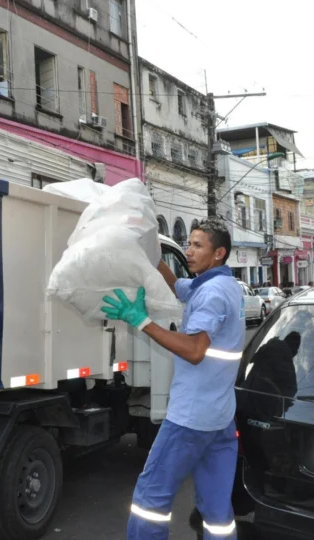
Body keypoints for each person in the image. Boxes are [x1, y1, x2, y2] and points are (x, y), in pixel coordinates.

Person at [102, 218, 245, 540]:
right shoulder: (221, 285)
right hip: (220, 417)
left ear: (219, 252)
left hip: (191, 418)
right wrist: (150, 251)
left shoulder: (212, 295)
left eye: (197, 246)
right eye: (189, 244)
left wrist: (141, 320)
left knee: (150, 499)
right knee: (217, 511)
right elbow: (176, 285)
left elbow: (195, 350)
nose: (189, 252)